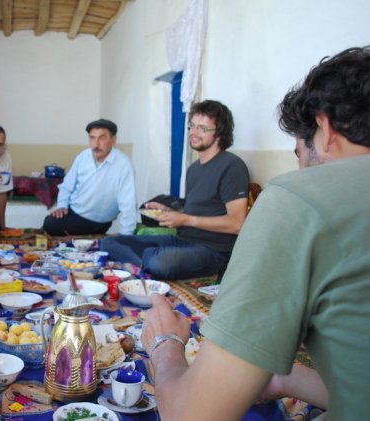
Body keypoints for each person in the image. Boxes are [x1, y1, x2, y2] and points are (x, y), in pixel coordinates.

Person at [141, 46, 370, 420]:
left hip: (211, 248)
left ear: (324, 128)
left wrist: (165, 345)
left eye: (298, 152)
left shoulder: (297, 195)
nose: (300, 167)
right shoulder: (195, 168)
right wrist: (285, 380)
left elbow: (191, 416)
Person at [101, 101, 249, 279]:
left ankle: (146, 262)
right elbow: (196, 210)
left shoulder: (232, 166)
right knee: (110, 242)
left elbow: (237, 224)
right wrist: (169, 211)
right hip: (182, 240)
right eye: (192, 125)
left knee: (159, 261)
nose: (193, 132)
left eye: (202, 128)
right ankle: (146, 264)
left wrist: (185, 219)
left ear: (219, 132)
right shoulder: (194, 168)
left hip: (213, 250)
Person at [42, 118, 137, 236]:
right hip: (74, 213)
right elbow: (67, 186)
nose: (96, 144)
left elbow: (128, 203)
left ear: (113, 140)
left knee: (51, 226)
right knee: (50, 223)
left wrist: (127, 235)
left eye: (102, 138)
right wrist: (62, 205)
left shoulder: (124, 165)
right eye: (92, 138)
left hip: (102, 222)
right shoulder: (83, 157)